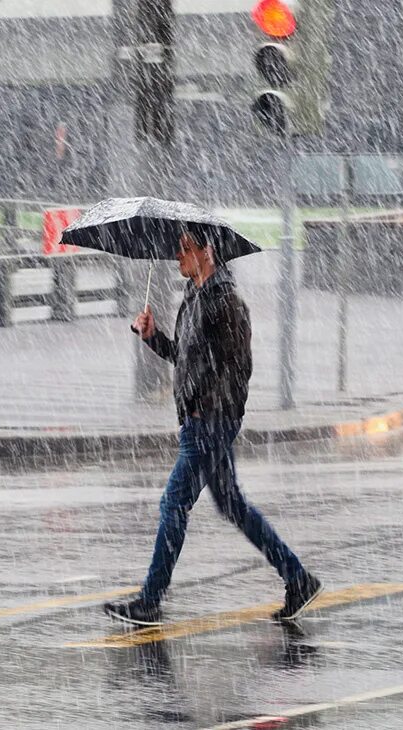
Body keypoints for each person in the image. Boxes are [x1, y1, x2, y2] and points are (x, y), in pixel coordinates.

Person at [103, 231, 322, 626]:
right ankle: (298, 578)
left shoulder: (226, 303)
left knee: (173, 504)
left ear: (208, 251)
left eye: (185, 248)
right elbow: (185, 358)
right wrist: (152, 337)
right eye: (178, 247)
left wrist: (209, 414)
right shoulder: (194, 298)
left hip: (209, 422)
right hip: (199, 419)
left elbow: (239, 370)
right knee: (232, 504)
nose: (178, 255)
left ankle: (150, 599)